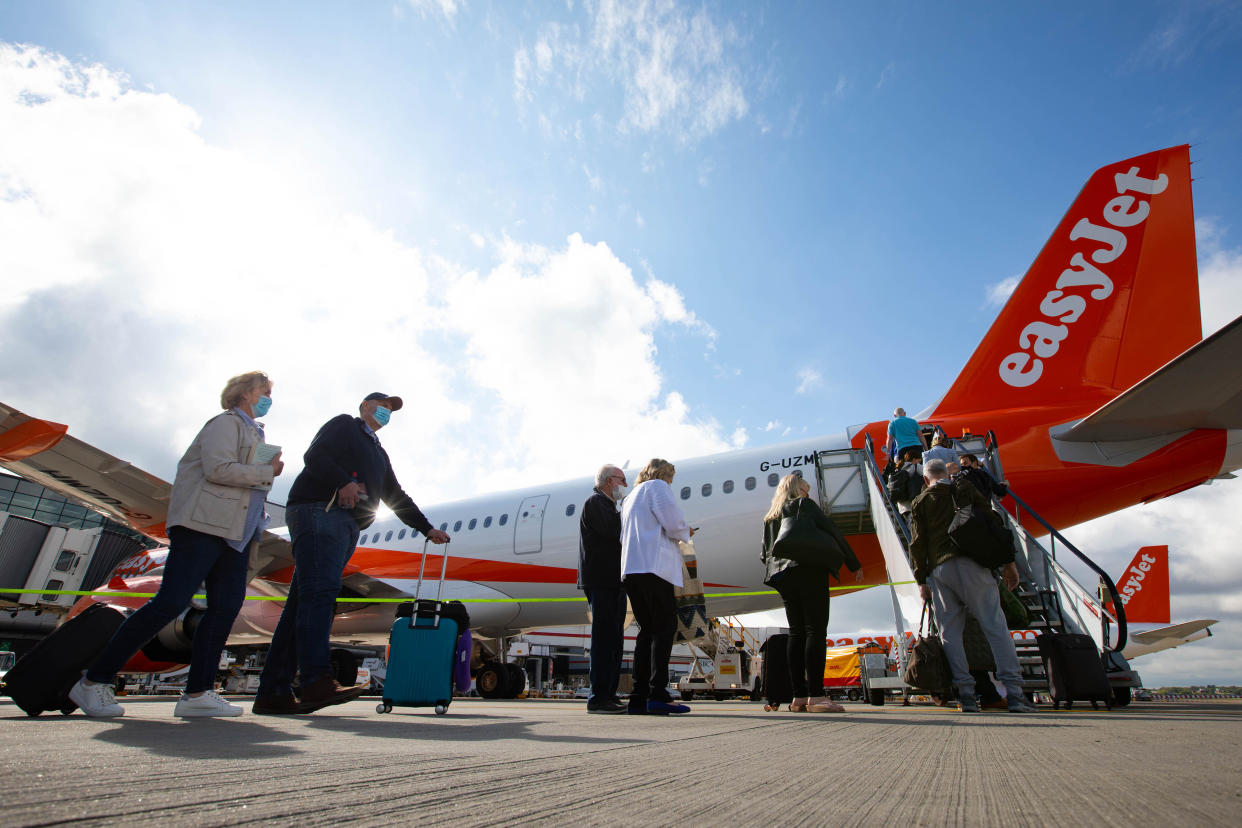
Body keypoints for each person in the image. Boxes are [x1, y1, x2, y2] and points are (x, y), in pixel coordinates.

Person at [69, 371, 285, 718]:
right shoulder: (225, 423)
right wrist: (266, 472)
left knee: (223, 612)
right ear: (245, 393)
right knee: (169, 603)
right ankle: (94, 681)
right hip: (204, 527)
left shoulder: (256, 433)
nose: (269, 398)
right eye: (264, 391)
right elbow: (218, 469)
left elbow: (247, 487)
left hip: (237, 537)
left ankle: (197, 692)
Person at [253, 392, 450, 715]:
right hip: (320, 512)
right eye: (382, 405)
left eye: (390, 409)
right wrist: (343, 482)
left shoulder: (378, 452)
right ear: (364, 407)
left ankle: (273, 691)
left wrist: (425, 528)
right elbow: (315, 457)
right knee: (322, 596)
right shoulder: (345, 425)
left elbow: (395, 495)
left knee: (301, 605)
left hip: (346, 525)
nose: (386, 411)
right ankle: (316, 680)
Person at [909, 459, 1037, 713]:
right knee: (995, 627)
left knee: (950, 633)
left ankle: (967, 695)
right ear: (946, 473)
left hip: (940, 570)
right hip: (973, 564)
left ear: (925, 479)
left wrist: (921, 580)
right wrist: (1008, 564)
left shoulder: (921, 501)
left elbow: (917, 544)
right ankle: (1014, 693)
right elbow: (992, 522)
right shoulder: (964, 488)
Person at [761, 472, 863, 713]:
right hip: (809, 570)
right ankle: (816, 696)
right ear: (799, 490)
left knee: (796, 633)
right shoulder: (803, 505)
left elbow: (764, 553)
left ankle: (798, 697)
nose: (808, 494)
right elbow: (832, 530)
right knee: (815, 631)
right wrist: (853, 563)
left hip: (783, 576)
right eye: (806, 489)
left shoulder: (770, 516)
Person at [620, 458, 693, 715]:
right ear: (662, 474)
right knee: (664, 628)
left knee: (646, 631)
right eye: (670, 478)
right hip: (654, 567)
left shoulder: (629, 498)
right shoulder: (657, 488)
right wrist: (687, 532)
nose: (670, 483)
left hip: (631, 569)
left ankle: (639, 697)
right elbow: (673, 523)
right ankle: (658, 693)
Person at [578, 464, 629, 714]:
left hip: (614, 582)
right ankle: (597, 697)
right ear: (610, 481)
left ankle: (609, 693)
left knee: (614, 641)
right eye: (623, 480)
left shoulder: (610, 506)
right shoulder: (595, 503)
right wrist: (628, 514)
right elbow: (613, 532)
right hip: (601, 581)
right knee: (603, 639)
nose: (625, 486)